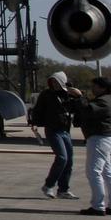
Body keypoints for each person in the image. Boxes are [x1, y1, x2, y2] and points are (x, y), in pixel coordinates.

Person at [29, 71, 81, 199]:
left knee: (69, 161)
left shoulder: (67, 94)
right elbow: (38, 109)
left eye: (57, 82)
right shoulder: (46, 94)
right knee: (62, 158)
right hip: (53, 129)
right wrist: (34, 123)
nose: (54, 84)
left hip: (65, 130)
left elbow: (80, 108)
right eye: (52, 81)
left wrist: (78, 96)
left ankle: (63, 189)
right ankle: (48, 185)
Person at [71, 75, 111, 216]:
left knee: (94, 171)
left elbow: (87, 110)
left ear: (103, 87)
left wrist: (79, 96)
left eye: (94, 86)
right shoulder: (106, 100)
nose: (92, 89)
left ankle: (98, 206)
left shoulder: (104, 101)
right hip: (105, 138)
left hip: (99, 138)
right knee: (107, 172)